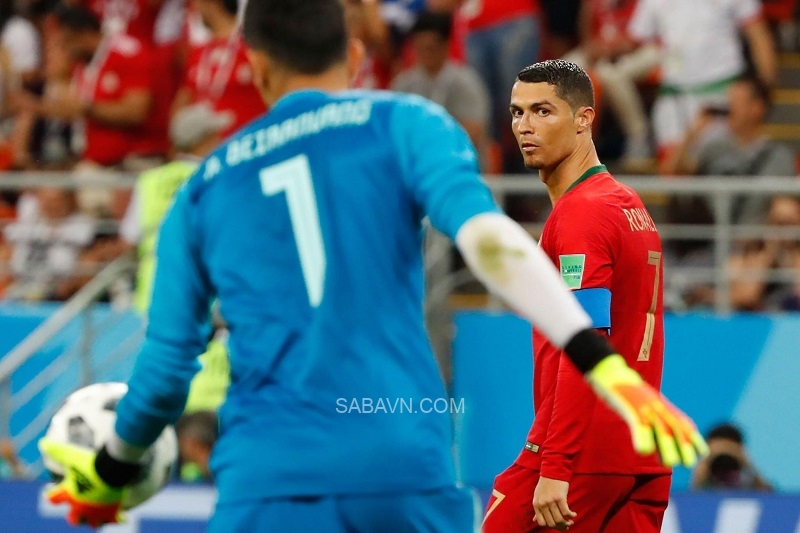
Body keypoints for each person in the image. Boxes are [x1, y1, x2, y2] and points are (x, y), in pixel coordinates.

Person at [39, 1, 705, 530]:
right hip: (402, 465)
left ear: (256, 64)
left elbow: (161, 374)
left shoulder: (204, 187)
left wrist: (113, 468)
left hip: (270, 477)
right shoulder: (407, 123)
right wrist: (598, 357)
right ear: (356, 53)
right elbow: (488, 242)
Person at [483, 59, 672, 533]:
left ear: (585, 118)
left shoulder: (581, 216)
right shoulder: (629, 206)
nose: (524, 126)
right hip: (642, 452)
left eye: (543, 111)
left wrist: (555, 463)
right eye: (516, 112)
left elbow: (587, 341)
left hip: (582, 454)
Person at [691, 422, 773, 491]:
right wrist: (704, 465)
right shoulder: (705, 475)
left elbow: (774, 500)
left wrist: (749, 466)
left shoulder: (748, 477)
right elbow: (690, 500)